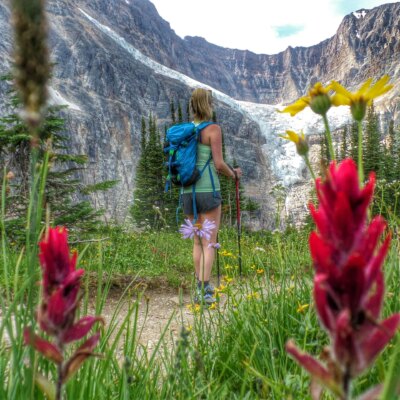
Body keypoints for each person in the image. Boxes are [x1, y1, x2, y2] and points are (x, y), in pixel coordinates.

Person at [182, 88, 242, 304]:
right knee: (210, 242)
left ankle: (198, 288)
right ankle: (205, 292)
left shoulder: (185, 130)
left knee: (197, 243)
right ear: (208, 104)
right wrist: (233, 174)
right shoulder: (212, 129)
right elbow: (218, 164)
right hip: (208, 190)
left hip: (187, 191)